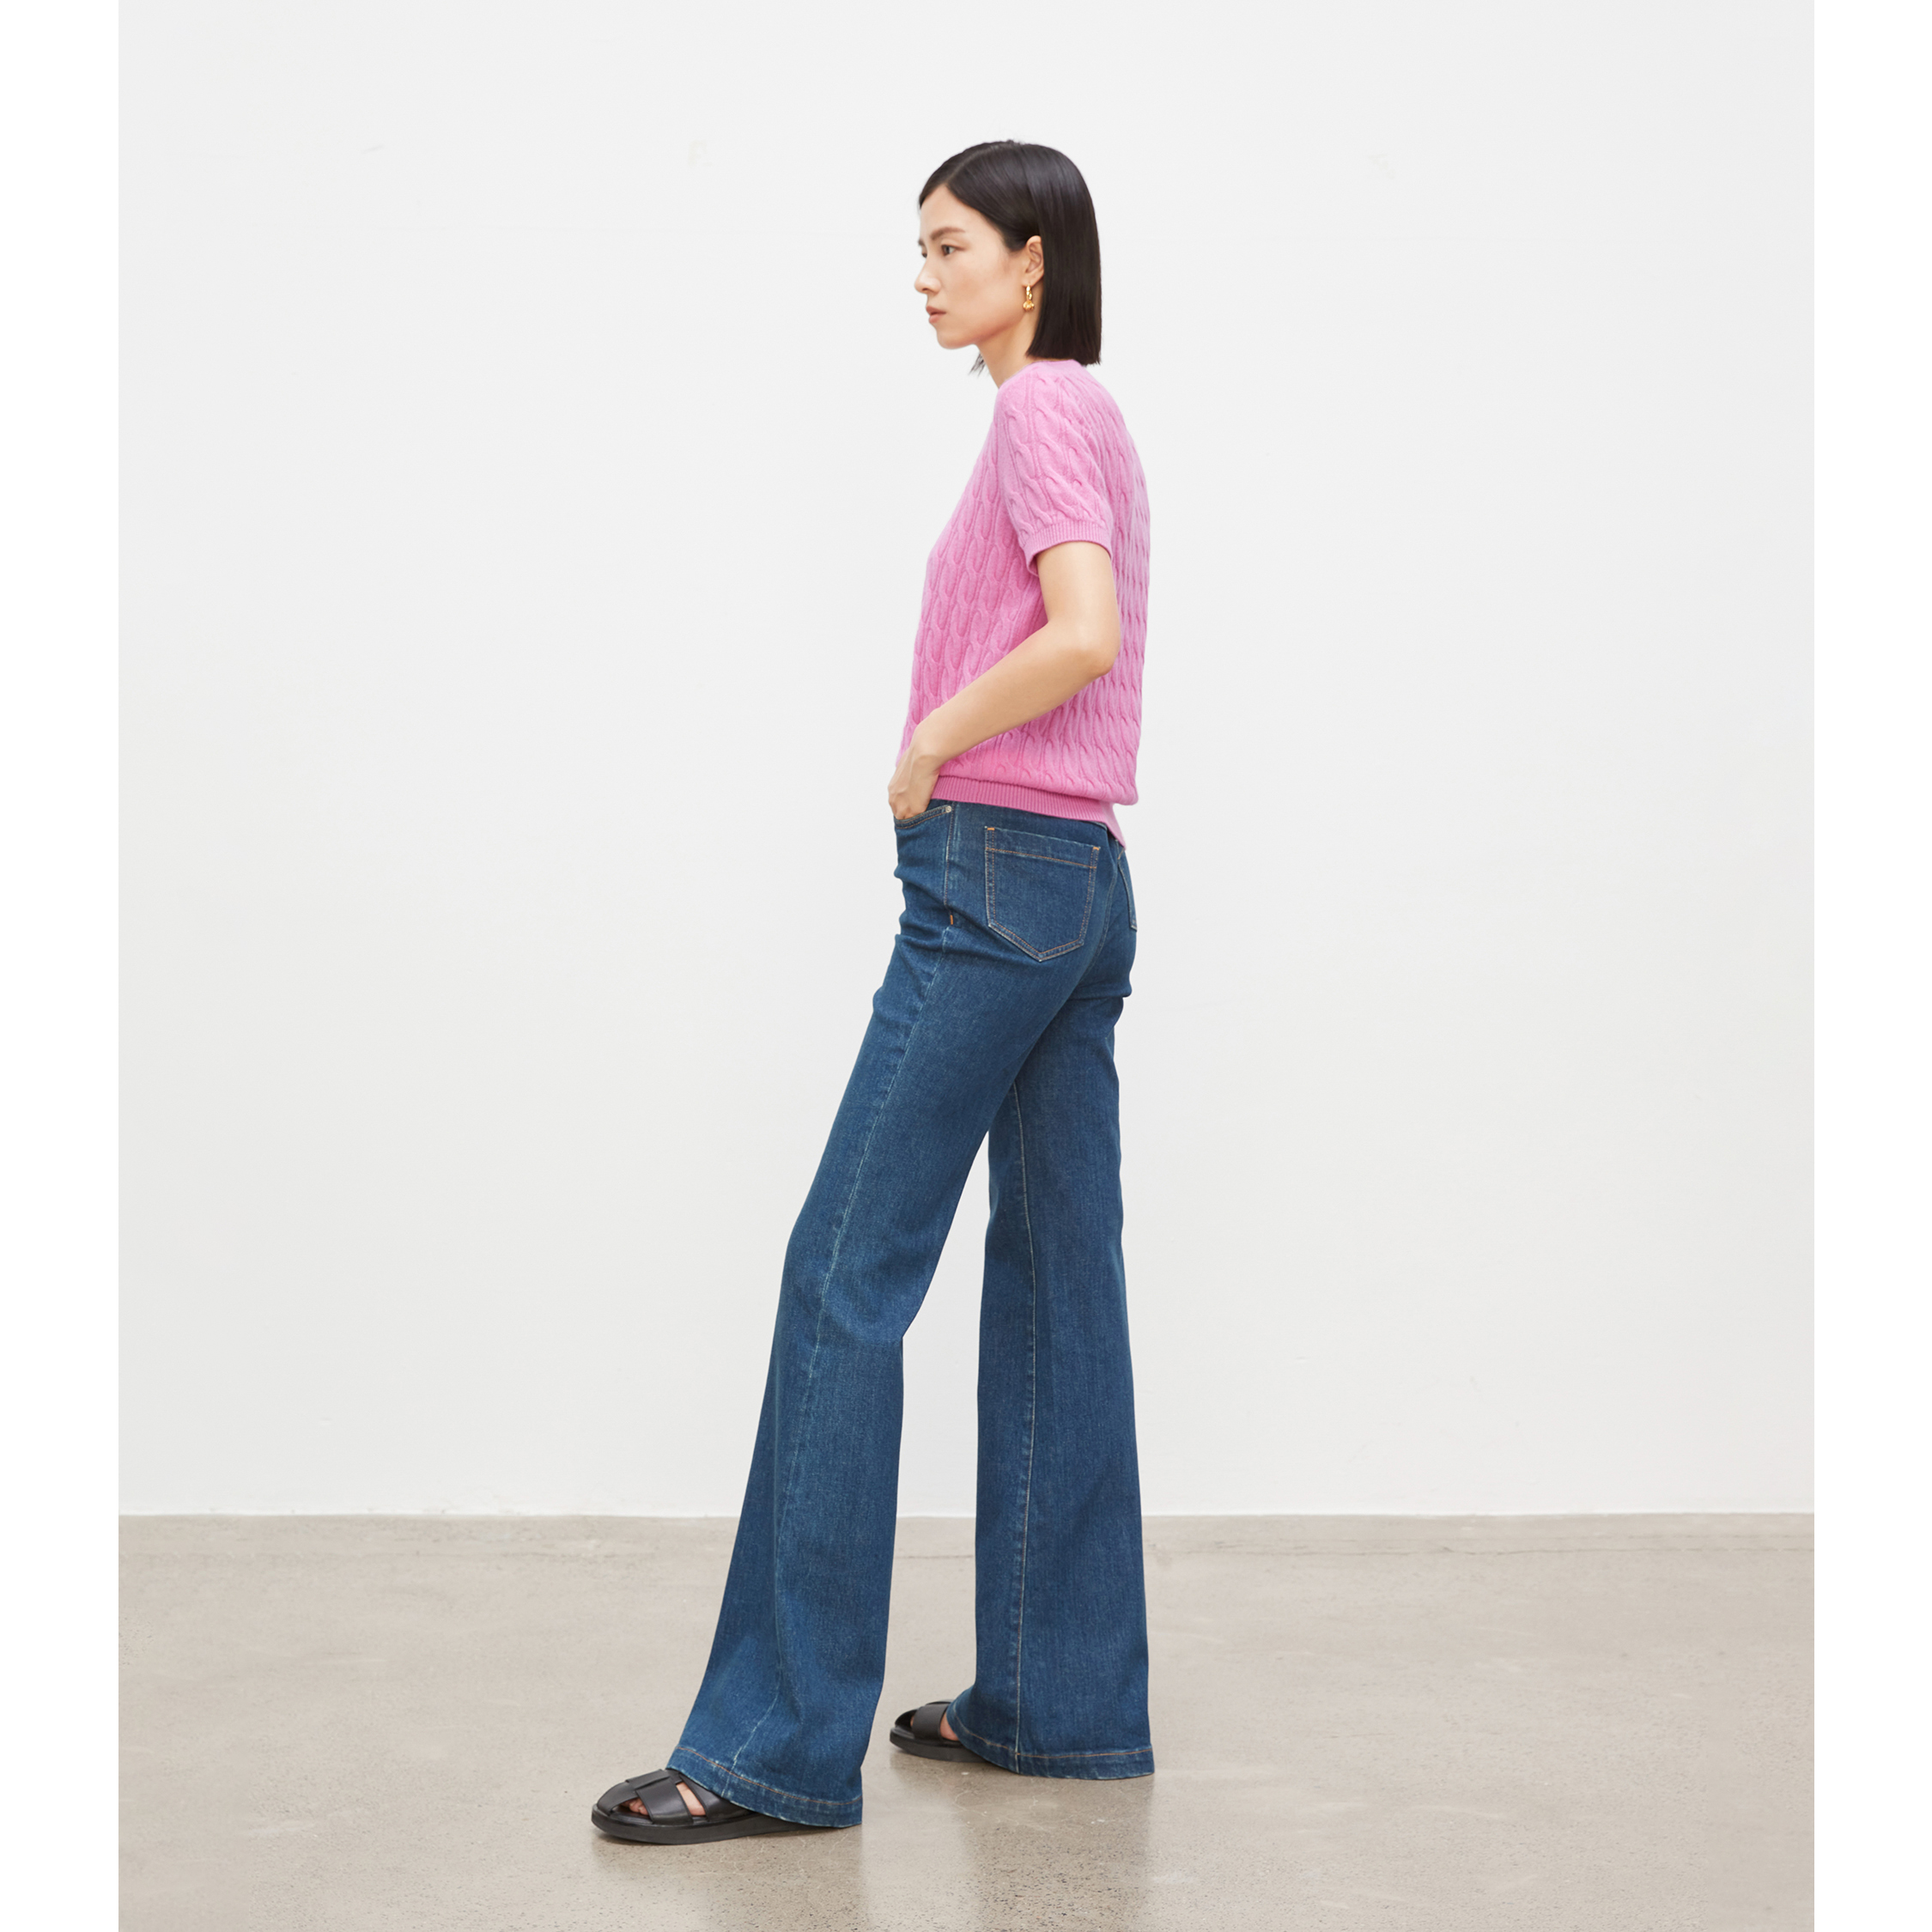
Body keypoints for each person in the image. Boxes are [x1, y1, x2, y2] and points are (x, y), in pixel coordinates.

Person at [592, 139, 1153, 1844]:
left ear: (1032, 261)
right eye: (920, 246)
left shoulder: (1039, 407)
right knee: (1058, 1284)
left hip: (994, 878)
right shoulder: (1092, 414)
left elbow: (1081, 629)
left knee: (842, 1272)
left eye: (950, 244)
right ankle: (1059, 1701)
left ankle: (771, 1746)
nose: (923, 274)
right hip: (1081, 882)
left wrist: (927, 744)